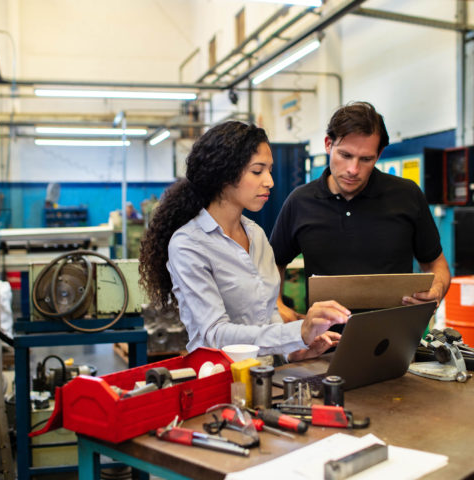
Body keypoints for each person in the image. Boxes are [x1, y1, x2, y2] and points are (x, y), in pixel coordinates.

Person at [139, 121, 351, 362]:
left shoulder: (256, 235)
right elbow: (213, 334)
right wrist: (297, 332)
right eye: (257, 171)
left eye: (269, 170)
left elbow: (269, 314)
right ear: (223, 175)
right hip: (220, 383)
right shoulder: (189, 244)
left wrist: (296, 351)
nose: (269, 181)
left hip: (269, 377)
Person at [270, 101, 451, 323]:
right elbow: (273, 264)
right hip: (321, 344)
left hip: (395, 340)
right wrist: (277, 305)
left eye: (366, 159)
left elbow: (436, 264)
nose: (353, 170)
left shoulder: (406, 195)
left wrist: (436, 290)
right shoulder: (300, 202)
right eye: (345, 155)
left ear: (379, 153)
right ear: (328, 144)